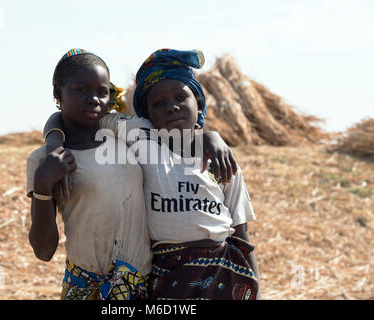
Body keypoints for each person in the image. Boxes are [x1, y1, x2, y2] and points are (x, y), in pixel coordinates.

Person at [44, 48, 260, 300]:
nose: (172, 107)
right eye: (159, 103)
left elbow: (242, 235)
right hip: (168, 276)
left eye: (181, 96)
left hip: (223, 274)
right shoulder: (139, 136)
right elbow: (60, 116)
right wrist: (53, 146)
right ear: (146, 114)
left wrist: (255, 287)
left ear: (199, 103)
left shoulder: (220, 159)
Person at [26, 48, 152, 300]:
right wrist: (42, 185)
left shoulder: (123, 138)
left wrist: (209, 137)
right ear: (58, 93)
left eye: (101, 92)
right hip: (86, 289)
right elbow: (43, 250)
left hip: (142, 288)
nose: (93, 98)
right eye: (81, 89)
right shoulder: (43, 160)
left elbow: (171, 131)